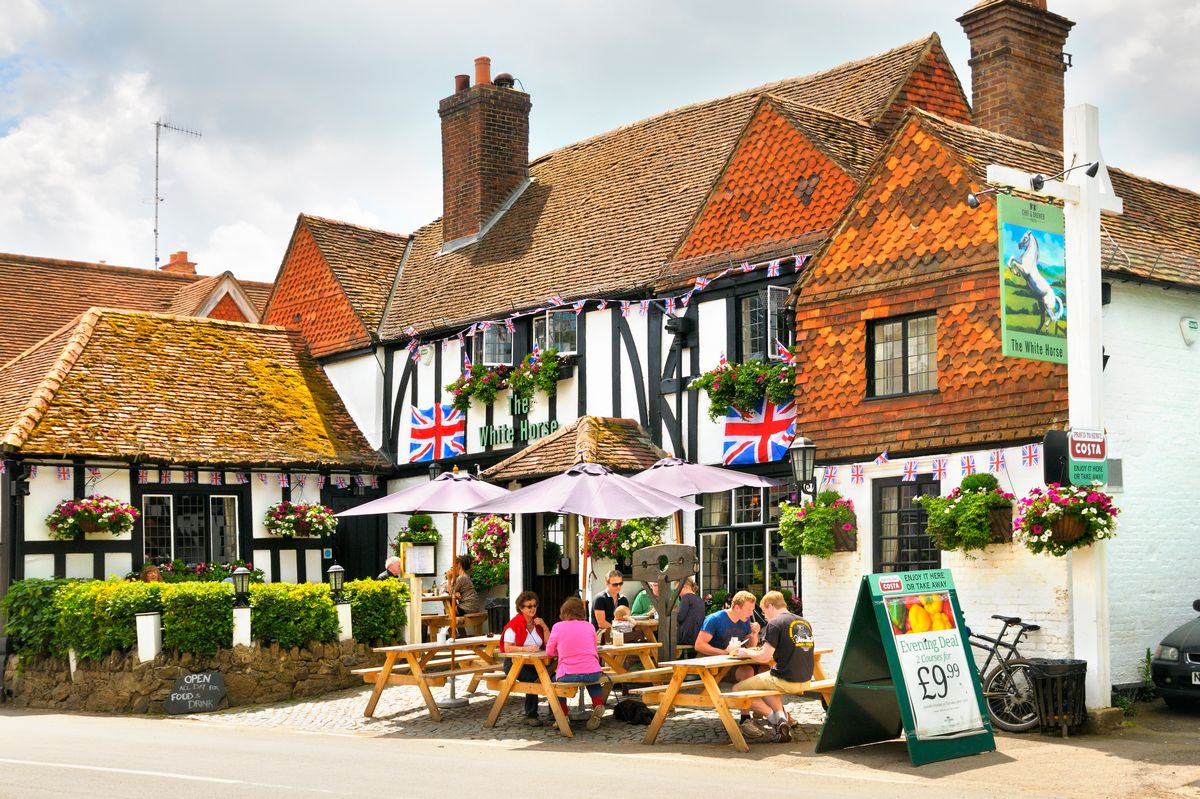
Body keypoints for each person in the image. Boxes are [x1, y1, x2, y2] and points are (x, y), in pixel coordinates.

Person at [731, 590, 815, 744]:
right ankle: (782, 717)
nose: (764, 616)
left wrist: (746, 652)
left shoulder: (775, 623)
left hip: (786, 678)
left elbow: (765, 657)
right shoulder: (804, 622)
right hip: (806, 679)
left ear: (770, 606)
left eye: (763, 611)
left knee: (736, 690)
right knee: (765, 684)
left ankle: (774, 719)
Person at [694, 590, 764, 740]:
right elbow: (699, 645)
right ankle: (758, 713)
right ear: (737, 608)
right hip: (712, 664)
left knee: (754, 670)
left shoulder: (744, 620)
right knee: (750, 672)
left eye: (752, 609)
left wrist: (754, 634)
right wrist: (723, 653)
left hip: (731, 663)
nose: (751, 613)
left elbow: (751, 645)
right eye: (749, 610)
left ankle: (748, 716)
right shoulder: (715, 619)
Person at [547, 596, 609, 730]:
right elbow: (593, 648)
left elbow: (549, 652)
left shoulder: (558, 627)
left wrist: (562, 651)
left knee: (553, 682)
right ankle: (597, 704)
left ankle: (563, 716)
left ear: (564, 612)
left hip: (568, 673)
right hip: (592, 671)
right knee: (593, 679)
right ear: (581, 612)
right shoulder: (590, 626)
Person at [499, 591, 551, 726]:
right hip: (515, 663)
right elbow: (507, 648)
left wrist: (544, 627)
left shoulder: (538, 623)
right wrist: (524, 649)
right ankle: (531, 715)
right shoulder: (513, 625)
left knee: (554, 675)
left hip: (535, 663)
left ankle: (556, 714)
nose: (533, 609)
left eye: (535, 605)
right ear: (521, 608)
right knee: (534, 679)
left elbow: (549, 645)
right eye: (529, 606)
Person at [591, 569, 630, 639]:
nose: (618, 586)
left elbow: (626, 619)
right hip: (602, 636)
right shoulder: (600, 599)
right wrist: (617, 629)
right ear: (607, 584)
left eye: (620, 584)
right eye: (615, 584)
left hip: (619, 634)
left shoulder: (624, 599)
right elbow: (601, 624)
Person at [674, 577, 705, 648]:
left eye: (677, 590)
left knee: (663, 637)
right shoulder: (699, 599)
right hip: (698, 636)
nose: (676, 593)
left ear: (684, 587)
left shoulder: (686, 598)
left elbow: (680, 618)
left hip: (686, 637)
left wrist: (673, 612)